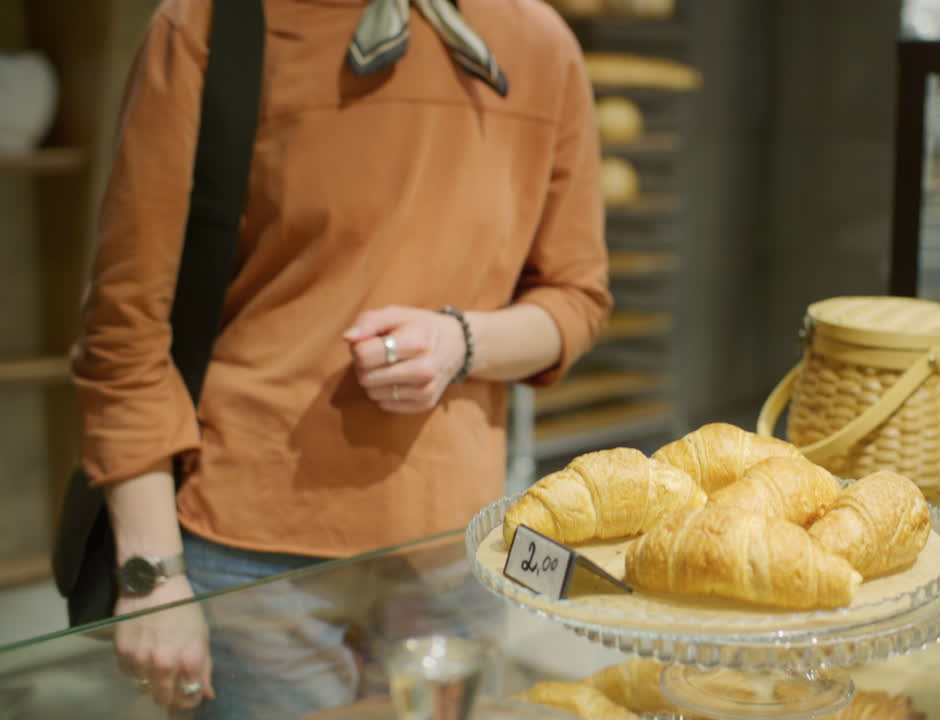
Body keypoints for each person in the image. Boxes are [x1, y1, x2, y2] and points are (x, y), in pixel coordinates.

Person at [70, 0, 611, 715]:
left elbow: (576, 295)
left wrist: (461, 341)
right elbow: (125, 323)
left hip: (458, 544)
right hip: (249, 549)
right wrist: (151, 577)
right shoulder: (210, 24)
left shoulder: (540, 44)